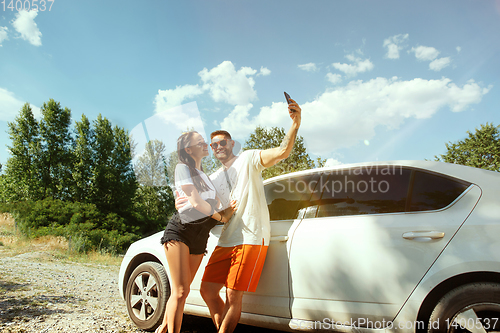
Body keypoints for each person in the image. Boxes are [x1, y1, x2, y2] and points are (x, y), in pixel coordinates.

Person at [176, 98, 302, 333]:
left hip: (250, 237)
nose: (218, 147)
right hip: (227, 238)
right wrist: (180, 199)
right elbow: (192, 200)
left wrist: (295, 123)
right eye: (213, 145)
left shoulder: (249, 159)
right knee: (207, 291)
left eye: (222, 142)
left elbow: (283, 151)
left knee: (233, 294)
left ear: (231, 143)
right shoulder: (212, 178)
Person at [156, 131, 236, 333]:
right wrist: (222, 216)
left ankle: (163, 329)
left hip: (201, 237)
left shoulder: (206, 177)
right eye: (200, 142)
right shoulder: (182, 168)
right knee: (181, 291)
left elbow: (212, 203)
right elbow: (196, 202)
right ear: (188, 149)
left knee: (182, 292)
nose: (205, 145)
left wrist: (220, 209)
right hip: (181, 231)